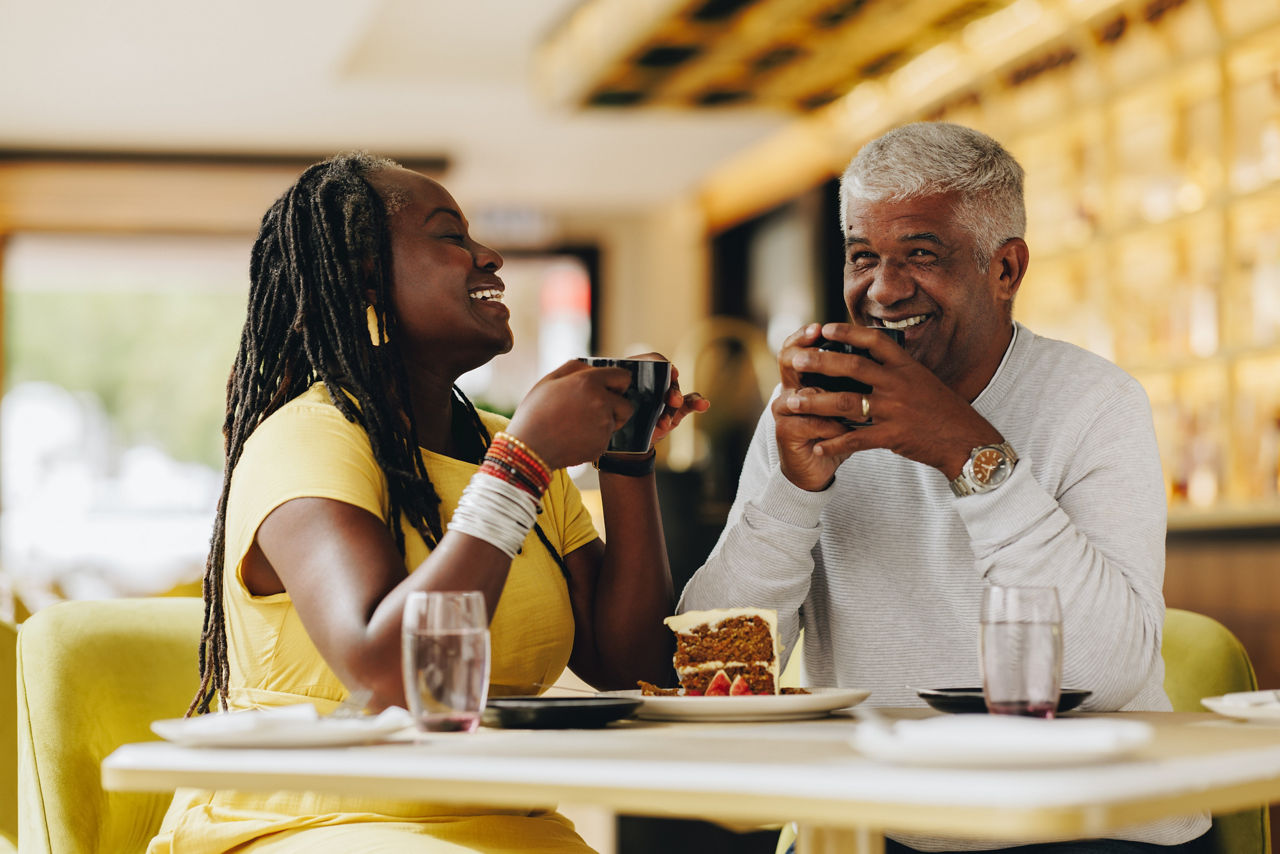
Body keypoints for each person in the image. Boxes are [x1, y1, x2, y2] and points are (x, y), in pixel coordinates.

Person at [149, 151, 707, 854]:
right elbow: (390, 675)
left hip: (503, 823)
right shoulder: (309, 438)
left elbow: (635, 670)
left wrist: (628, 456)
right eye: (451, 236)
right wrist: (522, 463)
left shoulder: (507, 450)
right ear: (365, 278)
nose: (490, 257)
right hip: (311, 821)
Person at [677, 122, 1210, 853]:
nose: (884, 289)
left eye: (921, 256)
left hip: (1092, 829)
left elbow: (1102, 672)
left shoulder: (1095, 402)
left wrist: (967, 450)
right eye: (863, 257)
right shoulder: (811, 415)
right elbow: (711, 664)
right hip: (883, 829)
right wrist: (792, 491)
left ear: (1006, 271)